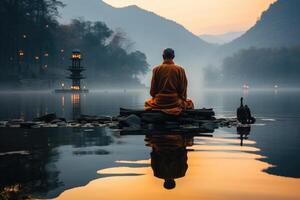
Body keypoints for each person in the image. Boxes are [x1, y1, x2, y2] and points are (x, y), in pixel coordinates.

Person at [144, 48, 194, 115]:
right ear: (173, 57)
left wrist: (157, 97)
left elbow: (152, 92)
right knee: (190, 103)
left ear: (163, 56)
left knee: (147, 103)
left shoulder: (156, 69)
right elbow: (183, 90)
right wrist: (182, 99)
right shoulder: (180, 70)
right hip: (175, 102)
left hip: (159, 102)